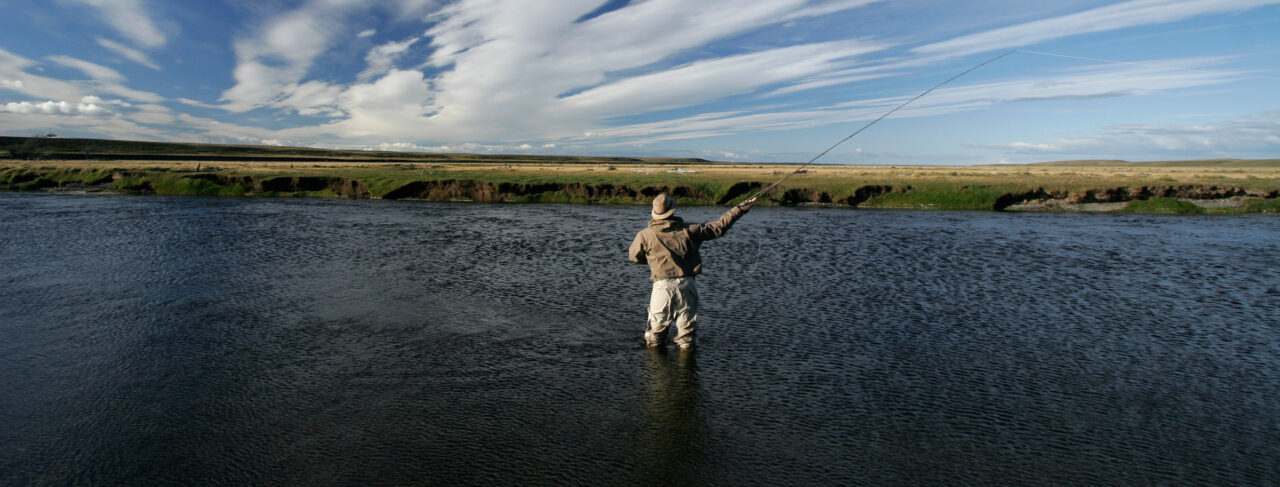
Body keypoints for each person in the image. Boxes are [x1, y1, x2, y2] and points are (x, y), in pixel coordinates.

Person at [629, 193, 755, 350]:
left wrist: (653, 260)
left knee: (654, 336)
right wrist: (739, 209)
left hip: (661, 287)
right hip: (688, 286)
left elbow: (634, 257)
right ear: (672, 211)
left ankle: (654, 363)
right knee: (686, 337)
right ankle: (686, 361)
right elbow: (719, 227)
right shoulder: (690, 230)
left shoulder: (644, 235)